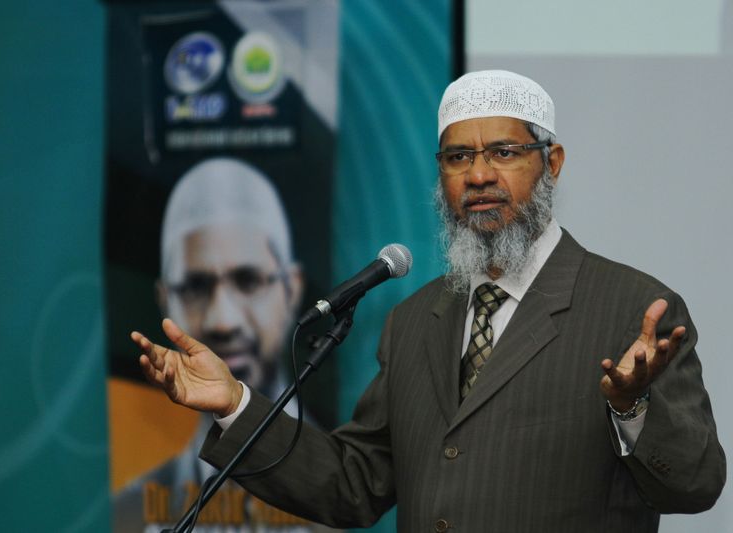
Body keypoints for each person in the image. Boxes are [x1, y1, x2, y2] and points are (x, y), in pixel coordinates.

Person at [131, 71, 726, 532]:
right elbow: (352, 484)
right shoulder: (414, 320)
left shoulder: (634, 309)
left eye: (504, 152)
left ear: (552, 163)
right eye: (458, 157)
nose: (479, 175)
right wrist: (234, 404)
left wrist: (631, 408)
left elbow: (696, 484)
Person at [115, 157, 327, 532]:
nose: (223, 321)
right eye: (195, 287)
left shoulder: (339, 487)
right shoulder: (131, 513)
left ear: (292, 289)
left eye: (248, 280)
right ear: (165, 300)